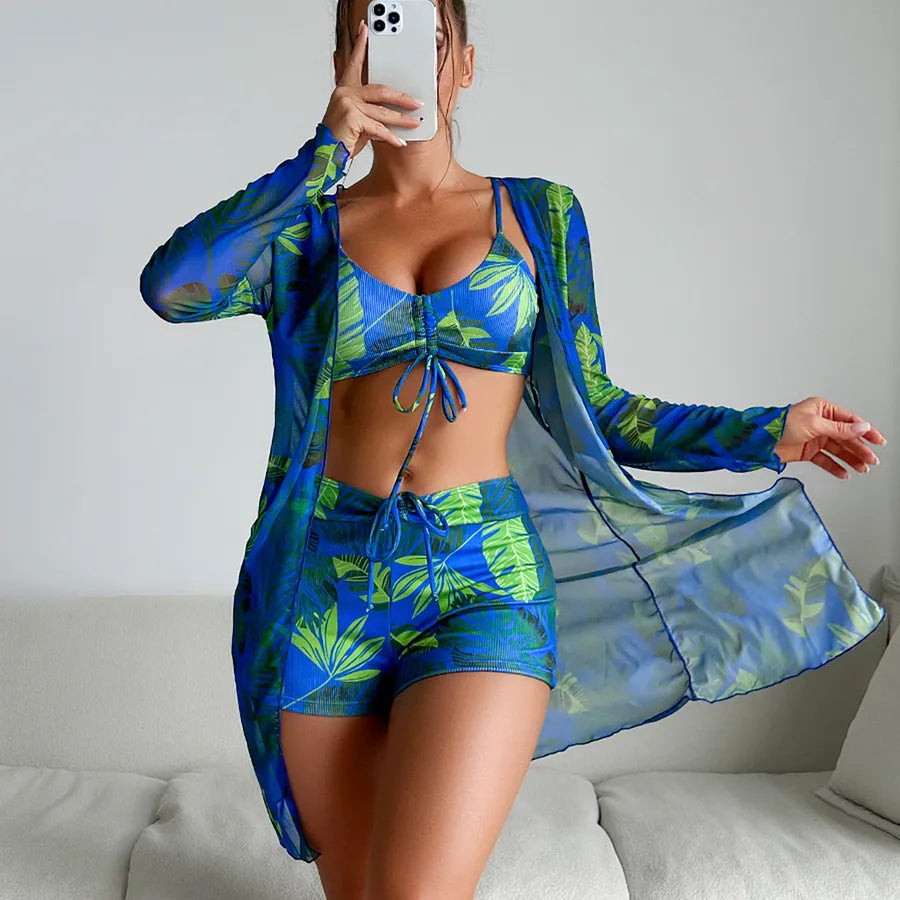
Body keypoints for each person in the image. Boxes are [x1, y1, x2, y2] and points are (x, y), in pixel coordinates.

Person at [139, 1, 887, 897]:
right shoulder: (303, 230)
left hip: (485, 573)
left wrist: (765, 431)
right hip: (325, 582)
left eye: (430, 38)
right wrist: (323, 152)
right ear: (343, 60)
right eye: (374, 33)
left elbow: (599, 409)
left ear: (463, 64)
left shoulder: (539, 216)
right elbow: (173, 288)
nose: (406, 59)